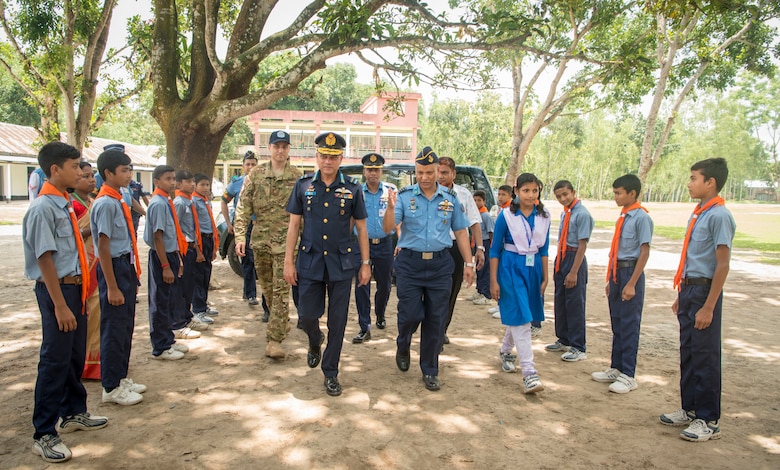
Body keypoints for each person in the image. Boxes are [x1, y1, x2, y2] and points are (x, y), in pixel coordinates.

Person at [23, 141, 108, 463]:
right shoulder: (43, 207)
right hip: (57, 291)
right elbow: (44, 259)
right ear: (55, 169)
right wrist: (60, 305)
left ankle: (73, 411)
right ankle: (43, 432)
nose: (81, 172)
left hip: (75, 289)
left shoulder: (63, 203)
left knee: (74, 353)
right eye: (74, 167)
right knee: (55, 359)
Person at [284, 132, 371, 396]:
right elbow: (294, 225)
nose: (328, 161)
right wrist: (289, 261)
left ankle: (331, 372)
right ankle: (314, 339)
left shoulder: (353, 189)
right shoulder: (303, 186)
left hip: (341, 264)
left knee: (338, 321)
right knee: (307, 316)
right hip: (309, 262)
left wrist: (365, 263)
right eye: (324, 156)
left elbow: (362, 229)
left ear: (341, 158)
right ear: (317, 157)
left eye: (333, 157)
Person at [383, 146, 474, 392]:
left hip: (440, 265)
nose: (424, 177)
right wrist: (390, 208)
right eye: (420, 172)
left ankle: (430, 369)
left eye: (429, 172)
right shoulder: (403, 196)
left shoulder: (450, 198)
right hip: (410, 264)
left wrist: (468, 262)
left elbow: (460, 232)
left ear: (437, 171)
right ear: (416, 171)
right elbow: (388, 228)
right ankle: (403, 343)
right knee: (410, 314)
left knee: (436, 318)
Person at [660, 158, 735, 442]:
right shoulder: (698, 213)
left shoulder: (719, 216)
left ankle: (708, 419)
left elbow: (722, 264)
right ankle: (689, 409)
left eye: (694, 178)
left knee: (705, 355)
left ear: (710, 182)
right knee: (689, 351)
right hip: (689, 289)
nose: (689, 183)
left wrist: (709, 305)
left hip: (705, 292)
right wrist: (682, 294)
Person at [235, 130, 302, 359]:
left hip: (286, 243)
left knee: (281, 290)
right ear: (270, 148)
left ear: (289, 149)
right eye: (276, 146)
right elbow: (243, 207)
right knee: (267, 288)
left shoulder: (297, 176)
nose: (280, 150)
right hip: (261, 241)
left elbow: (304, 212)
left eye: (284, 146)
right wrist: (240, 237)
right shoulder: (255, 174)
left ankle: (273, 341)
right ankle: (281, 321)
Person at [91, 148, 147, 405]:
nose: (129, 175)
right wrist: (112, 286)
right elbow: (103, 247)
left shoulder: (118, 199)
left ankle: (121, 376)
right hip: (112, 267)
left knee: (125, 326)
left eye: (129, 170)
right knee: (114, 328)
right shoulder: (105, 203)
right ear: (108, 173)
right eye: (124, 171)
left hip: (124, 265)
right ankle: (111, 386)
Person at [591, 174, 653, 392]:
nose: (616, 197)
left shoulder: (641, 218)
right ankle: (616, 367)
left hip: (631, 272)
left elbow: (644, 252)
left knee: (629, 324)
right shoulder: (623, 216)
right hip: (618, 272)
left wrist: (632, 283)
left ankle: (629, 373)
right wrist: (611, 279)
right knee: (617, 322)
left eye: (619, 193)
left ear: (632, 193)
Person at [490, 173, 550, 394]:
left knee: (522, 314)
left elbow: (544, 249)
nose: (530, 195)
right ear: (516, 191)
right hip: (510, 267)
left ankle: (506, 350)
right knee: (523, 320)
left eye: (535, 191)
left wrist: (545, 275)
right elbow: (495, 250)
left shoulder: (544, 216)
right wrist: (493, 280)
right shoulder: (506, 216)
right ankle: (529, 373)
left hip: (532, 268)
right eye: (526, 190)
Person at [145, 164, 194, 360]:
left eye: (174, 179)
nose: (172, 182)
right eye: (168, 179)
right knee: (159, 301)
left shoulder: (166, 201)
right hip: (161, 256)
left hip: (170, 254)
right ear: (157, 181)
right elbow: (157, 237)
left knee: (168, 299)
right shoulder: (158, 203)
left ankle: (168, 339)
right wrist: (165, 265)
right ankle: (161, 346)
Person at [436, 157, 483, 346]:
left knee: (451, 291)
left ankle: (441, 330)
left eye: (445, 172)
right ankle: (433, 329)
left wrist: (479, 248)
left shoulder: (463, 195)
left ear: (454, 174)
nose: (440, 176)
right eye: (438, 172)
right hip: (435, 248)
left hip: (456, 249)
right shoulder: (428, 193)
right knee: (433, 292)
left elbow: (474, 223)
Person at [546, 180, 594, 362]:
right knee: (561, 300)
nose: (562, 199)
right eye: (558, 196)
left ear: (573, 192)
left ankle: (578, 346)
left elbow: (582, 245)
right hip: (563, 257)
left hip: (575, 259)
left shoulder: (582, 214)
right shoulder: (566, 213)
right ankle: (563, 338)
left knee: (575, 303)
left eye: (565, 194)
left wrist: (574, 271)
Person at [351, 153, 397, 344]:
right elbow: (350, 219)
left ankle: (380, 313)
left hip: (385, 244)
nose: (373, 173)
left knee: (385, 285)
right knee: (362, 284)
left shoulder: (391, 191)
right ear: (364, 171)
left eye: (376, 170)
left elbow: (398, 218)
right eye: (369, 170)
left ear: (381, 171)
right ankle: (364, 326)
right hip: (361, 244)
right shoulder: (356, 191)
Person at [68, 162, 102, 381]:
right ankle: (85, 365)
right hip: (81, 267)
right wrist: (91, 229)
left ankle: (97, 361)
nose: (91, 180)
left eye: (92, 176)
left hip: (96, 265)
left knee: (98, 314)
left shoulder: (92, 202)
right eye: (85, 176)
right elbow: (72, 235)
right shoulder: (72, 205)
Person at [173, 170, 212, 329]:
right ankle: (191, 314)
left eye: (192, 182)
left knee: (198, 279)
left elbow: (191, 228)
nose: (192, 185)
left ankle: (191, 314)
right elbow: (177, 229)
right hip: (185, 248)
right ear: (179, 184)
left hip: (196, 245)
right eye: (189, 182)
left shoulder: (192, 201)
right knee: (190, 282)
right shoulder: (181, 203)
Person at [222, 151, 259, 305]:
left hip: (260, 227)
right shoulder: (237, 183)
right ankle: (250, 294)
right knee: (246, 259)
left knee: (259, 260)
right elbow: (224, 201)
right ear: (243, 166)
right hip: (244, 226)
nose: (250, 167)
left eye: (253, 164)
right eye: (247, 164)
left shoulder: (263, 182)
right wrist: (229, 223)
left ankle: (250, 293)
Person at [191, 173, 220, 321]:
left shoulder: (206, 201)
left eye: (207, 185)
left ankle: (203, 303)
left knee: (206, 274)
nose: (205, 187)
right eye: (202, 184)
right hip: (200, 240)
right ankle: (198, 309)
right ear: (195, 185)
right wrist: (197, 249)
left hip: (208, 240)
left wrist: (214, 245)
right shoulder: (193, 202)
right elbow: (193, 226)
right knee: (198, 275)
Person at [488, 185, 514, 319]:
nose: (500, 197)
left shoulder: (510, 211)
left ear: (511, 195)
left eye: (503, 194)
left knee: (506, 280)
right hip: (499, 248)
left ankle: (505, 307)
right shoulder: (502, 209)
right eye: (499, 194)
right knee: (499, 278)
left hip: (507, 248)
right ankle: (500, 304)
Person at [471, 190, 494, 306]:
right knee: (478, 268)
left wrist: (491, 246)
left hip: (485, 243)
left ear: (484, 201)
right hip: (477, 243)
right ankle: (479, 291)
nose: (476, 202)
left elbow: (491, 233)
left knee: (485, 268)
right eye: (474, 200)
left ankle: (486, 294)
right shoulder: (476, 214)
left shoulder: (486, 215)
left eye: (479, 200)